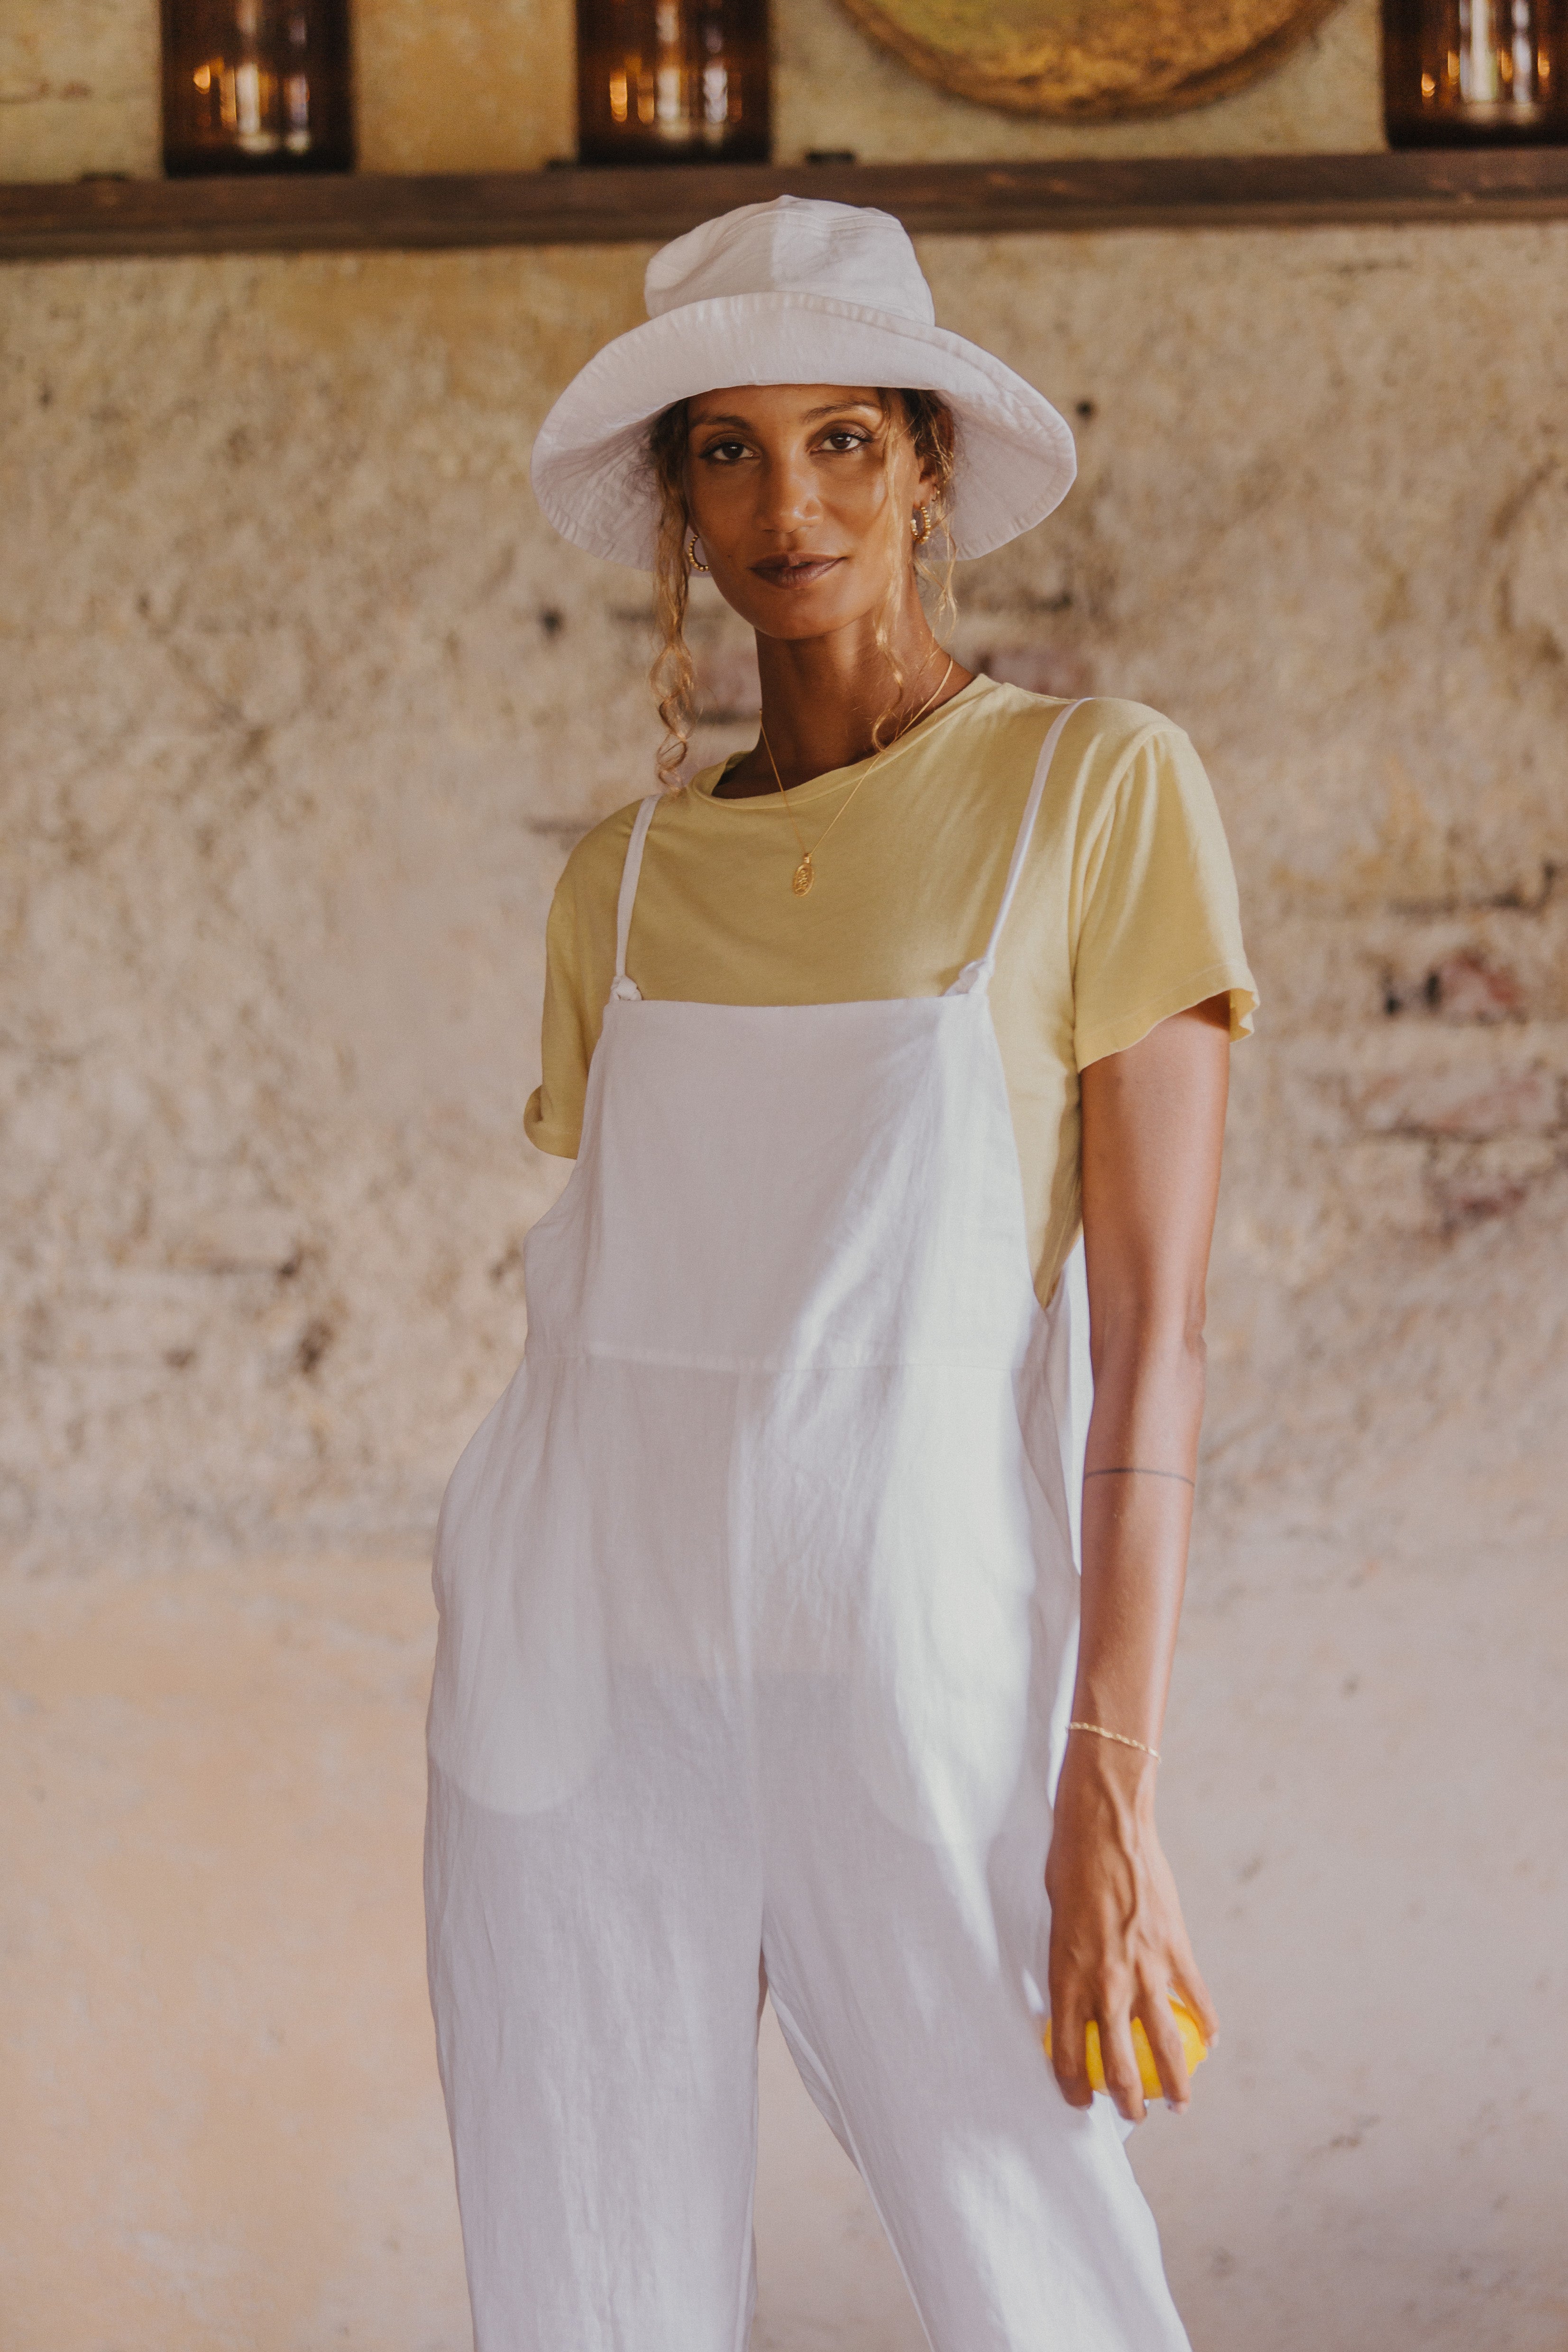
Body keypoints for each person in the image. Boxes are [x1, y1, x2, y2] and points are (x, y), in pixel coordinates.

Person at [425, 195, 1257, 2352]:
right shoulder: (617, 890)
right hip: (581, 1686)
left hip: (925, 1685)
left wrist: (1111, 1775)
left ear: (923, 469)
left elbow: (1154, 1344)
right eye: (725, 450)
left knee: (1050, 2279)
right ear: (675, 505)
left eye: (839, 444)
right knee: (582, 2298)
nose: (783, 504)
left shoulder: (1095, 792)